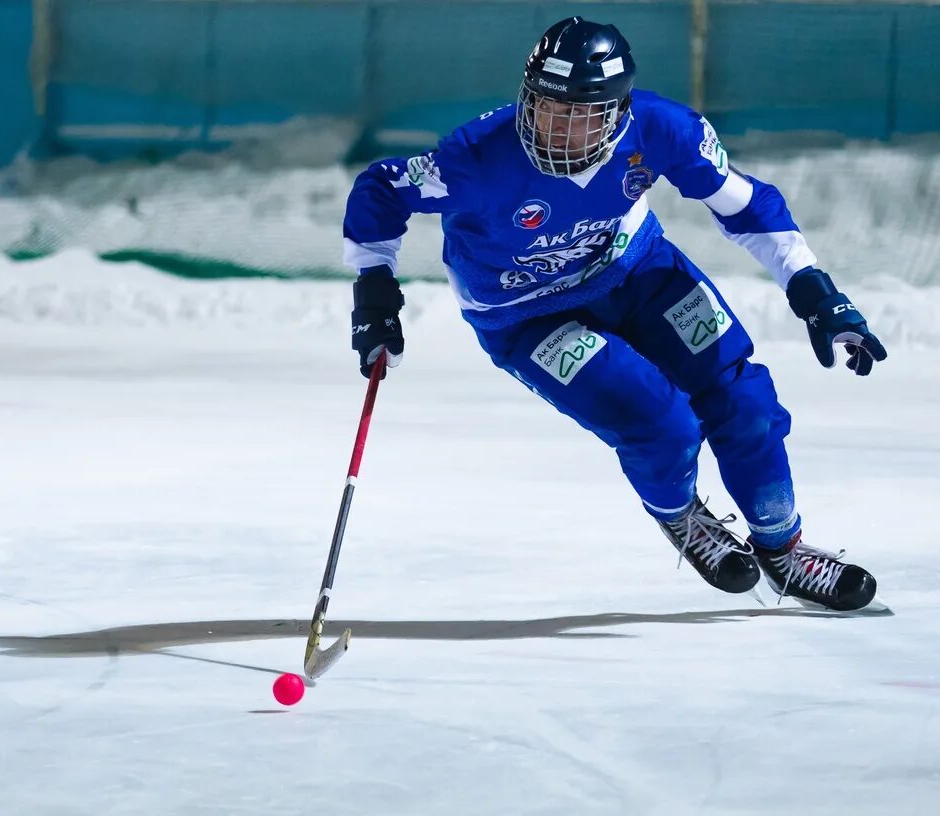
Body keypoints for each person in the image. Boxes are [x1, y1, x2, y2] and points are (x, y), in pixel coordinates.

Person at [341, 17, 887, 610]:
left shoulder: (663, 129)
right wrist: (373, 288)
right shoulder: (476, 158)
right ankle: (681, 516)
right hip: (526, 315)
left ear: (619, 110)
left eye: (584, 112)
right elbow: (381, 189)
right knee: (660, 422)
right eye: (548, 107)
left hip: (640, 275)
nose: (559, 128)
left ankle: (782, 550)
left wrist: (813, 288)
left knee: (744, 401)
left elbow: (749, 205)